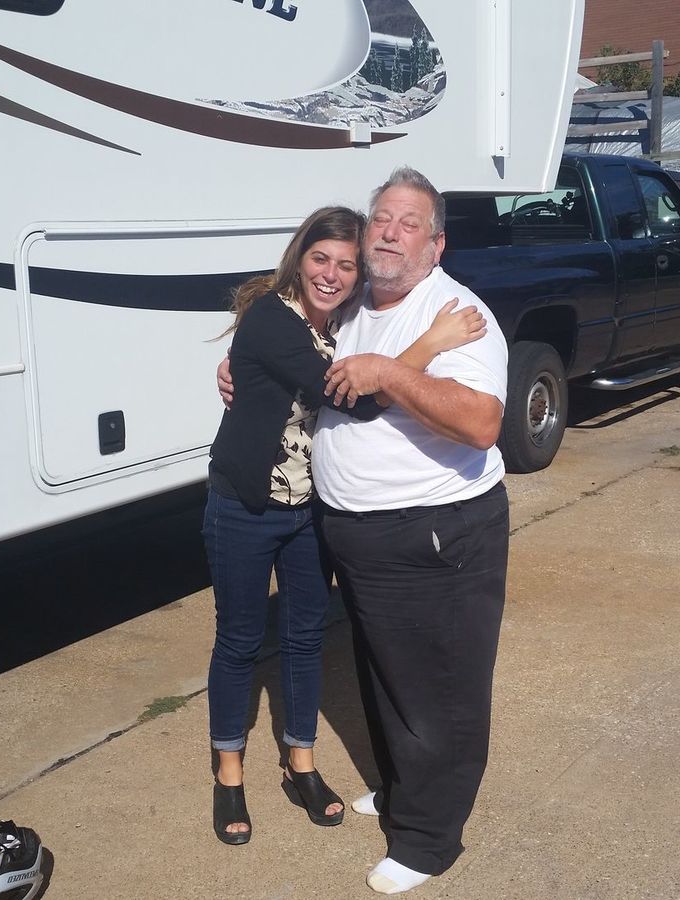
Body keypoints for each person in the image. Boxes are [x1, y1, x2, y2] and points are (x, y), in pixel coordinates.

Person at [204, 205, 486, 847]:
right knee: (240, 641)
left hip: (310, 510)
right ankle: (229, 774)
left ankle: (300, 764)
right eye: (320, 259)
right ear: (298, 258)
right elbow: (352, 399)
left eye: (346, 265)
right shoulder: (272, 319)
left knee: (305, 637)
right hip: (244, 507)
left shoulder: (346, 321)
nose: (331, 275)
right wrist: (432, 343)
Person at [314, 167, 510, 895]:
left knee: (441, 690)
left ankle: (428, 840)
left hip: (436, 534)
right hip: (362, 536)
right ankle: (402, 790)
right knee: (385, 675)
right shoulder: (354, 303)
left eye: (409, 223)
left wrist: (389, 375)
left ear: (435, 245)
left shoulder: (458, 313)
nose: (391, 234)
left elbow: (482, 423)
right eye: (382, 219)